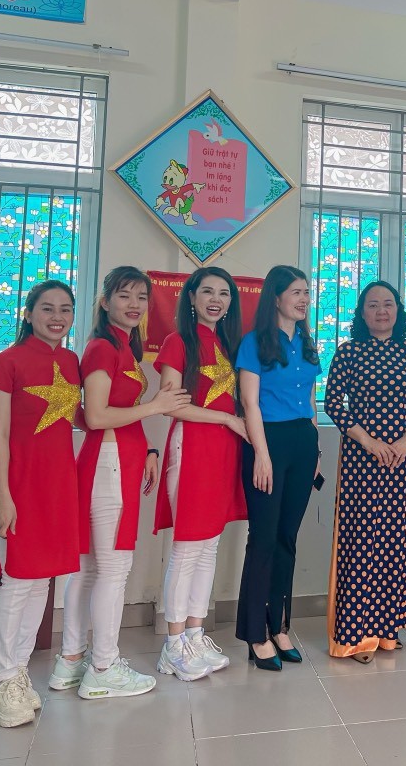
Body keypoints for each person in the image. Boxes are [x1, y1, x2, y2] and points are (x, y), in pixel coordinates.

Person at [49, 267, 190, 699]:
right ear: (105, 301)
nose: (134, 304)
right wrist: (156, 406)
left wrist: (148, 448)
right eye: (124, 295)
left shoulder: (122, 346)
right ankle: (104, 667)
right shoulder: (101, 348)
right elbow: (95, 417)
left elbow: (116, 411)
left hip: (116, 460)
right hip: (107, 464)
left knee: (92, 569)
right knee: (111, 570)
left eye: (142, 297)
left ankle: (70, 662)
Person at [0, 280, 82, 728]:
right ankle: (2, 681)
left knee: (41, 582)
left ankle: (16, 675)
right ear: (29, 313)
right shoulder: (5, 363)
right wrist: (3, 498)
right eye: (47, 308)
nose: (57, 317)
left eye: (65, 309)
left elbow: (80, 418)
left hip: (56, 484)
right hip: (14, 483)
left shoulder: (71, 363)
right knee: (18, 581)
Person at [323, 280, 406, 663]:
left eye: (388, 304)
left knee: (393, 541)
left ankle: (387, 631)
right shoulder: (348, 352)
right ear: (361, 312)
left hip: (400, 460)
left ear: (398, 310)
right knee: (359, 542)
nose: (381, 311)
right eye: (372, 305)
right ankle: (355, 636)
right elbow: (334, 403)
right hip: (361, 458)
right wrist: (368, 442)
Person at [153, 266, 247, 681]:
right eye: (207, 291)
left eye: (223, 293)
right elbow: (170, 404)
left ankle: (194, 633)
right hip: (192, 445)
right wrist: (226, 419)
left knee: (209, 546)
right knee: (188, 547)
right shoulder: (178, 341)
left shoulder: (229, 344)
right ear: (191, 297)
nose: (215, 300)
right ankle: (173, 644)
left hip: (224, 451)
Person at [235, 265, 322, 672]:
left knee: (287, 538)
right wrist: (262, 453)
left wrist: (315, 447)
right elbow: (249, 404)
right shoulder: (255, 343)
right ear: (276, 298)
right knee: (264, 539)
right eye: (296, 292)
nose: (304, 299)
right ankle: (256, 634)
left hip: (302, 441)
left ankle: (280, 627)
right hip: (267, 441)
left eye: (306, 292)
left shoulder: (306, 342)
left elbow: (310, 401)